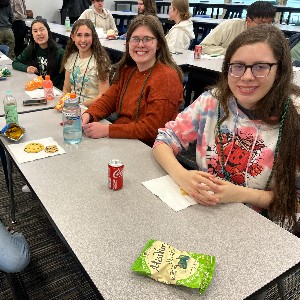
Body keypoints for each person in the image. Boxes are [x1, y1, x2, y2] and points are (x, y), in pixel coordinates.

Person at [153, 25, 300, 233]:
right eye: (238, 66)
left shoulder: (294, 115)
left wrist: (241, 194)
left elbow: (295, 202)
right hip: (203, 216)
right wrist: (184, 177)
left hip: (261, 230)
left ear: (280, 71)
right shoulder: (212, 102)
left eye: (260, 67)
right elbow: (164, 141)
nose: (247, 77)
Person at [82, 14, 184, 147]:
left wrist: (107, 130)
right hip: (123, 141)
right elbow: (108, 100)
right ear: (128, 42)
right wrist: (88, 115)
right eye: (135, 39)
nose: (140, 45)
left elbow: (153, 129)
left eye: (147, 39)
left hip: (148, 149)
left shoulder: (167, 77)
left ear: (158, 43)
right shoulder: (128, 70)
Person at [61, 19, 110, 107]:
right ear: (73, 37)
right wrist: (65, 104)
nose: (83, 40)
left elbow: (103, 96)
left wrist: (80, 106)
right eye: (79, 35)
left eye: (87, 35)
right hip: (73, 108)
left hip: (93, 109)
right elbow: (66, 90)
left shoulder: (100, 61)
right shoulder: (71, 58)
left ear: (93, 37)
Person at [200, 1, 276, 55]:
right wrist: (234, 52)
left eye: (269, 22)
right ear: (249, 20)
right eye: (261, 23)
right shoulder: (230, 26)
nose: (266, 27)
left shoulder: (271, 33)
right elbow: (203, 47)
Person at [12, 19, 65, 90]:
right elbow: (15, 62)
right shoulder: (31, 48)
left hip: (53, 90)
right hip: (37, 87)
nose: (39, 33)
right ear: (32, 35)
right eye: (35, 31)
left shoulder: (59, 52)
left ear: (48, 31)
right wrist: (27, 68)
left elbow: (65, 79)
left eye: (42, 30)